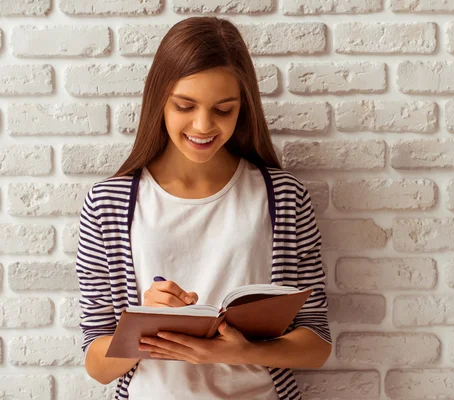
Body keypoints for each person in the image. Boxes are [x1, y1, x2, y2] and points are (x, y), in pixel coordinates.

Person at [75, 16, 331, 400]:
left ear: (243, 108)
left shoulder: (283, 196)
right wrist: (141, 325)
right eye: (185, 106)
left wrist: (244, 351)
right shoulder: (108, 203)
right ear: (159, 100)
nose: (202, 125)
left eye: (223, 110)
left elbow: (317, 343)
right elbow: (97, 366)